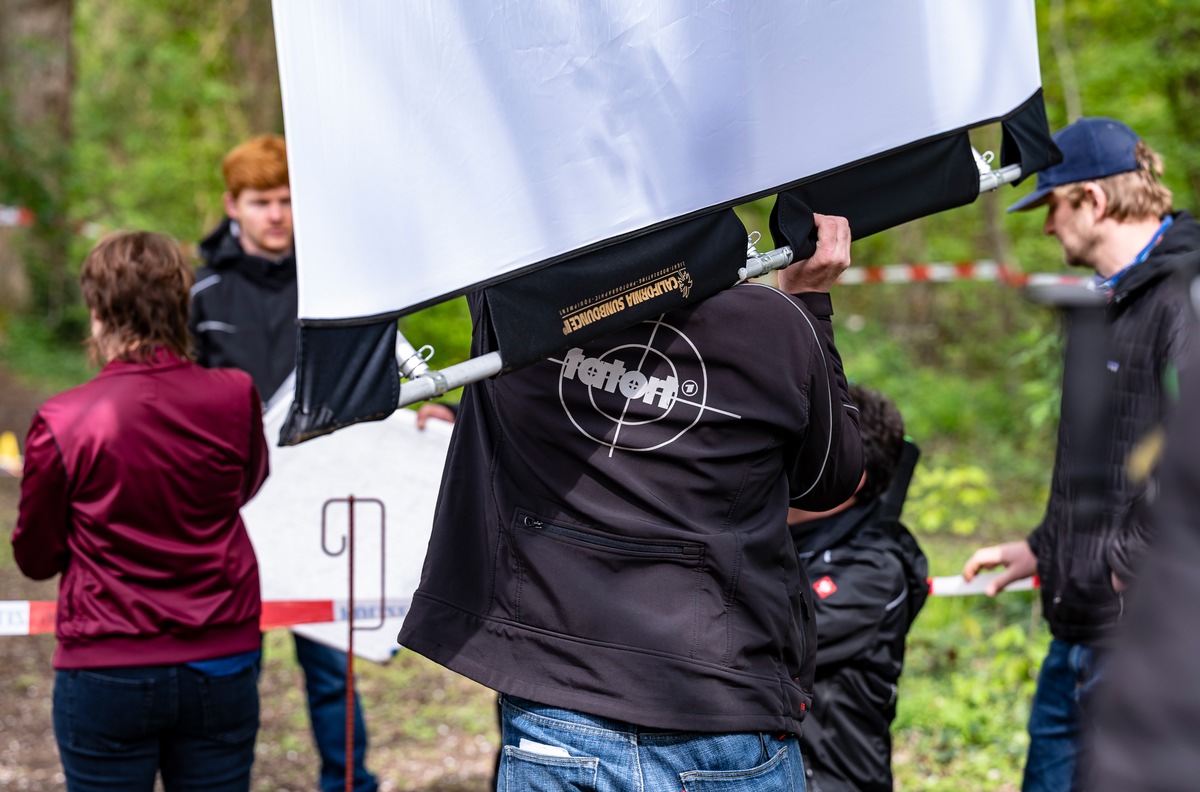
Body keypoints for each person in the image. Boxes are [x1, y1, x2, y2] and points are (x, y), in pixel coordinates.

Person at [399, 212, 864, 790]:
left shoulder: (515, 305)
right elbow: (832, 478)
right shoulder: (775, 325)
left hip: (561, 703)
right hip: (723, 702)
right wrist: (808, 303)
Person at [962, 117, 1200, 792]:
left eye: (1051, 205)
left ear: (1092, 200)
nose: (1044, 228)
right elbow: (1107, 456)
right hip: (1075, 634)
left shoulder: (1186, 295)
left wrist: (1129, 566)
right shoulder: (1106, 304)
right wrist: (1046, 546)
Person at [12, 231, 269, 791]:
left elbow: (36, 555)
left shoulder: (64, 419)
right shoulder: (235, 394)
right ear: (183, 303)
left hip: (106, 663)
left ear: (98, 310)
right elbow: (245, 486)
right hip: (221, 656)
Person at [189, 134, 378, 792]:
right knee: (228, 666)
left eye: (288, 200)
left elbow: (373, 379)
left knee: (330, 669)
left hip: (320, 503)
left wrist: (419, 414)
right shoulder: (200, 293)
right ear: (231, 205)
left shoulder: (334, 284)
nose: (277, 214)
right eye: (262, 201)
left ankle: (350, 783)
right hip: (230, 512)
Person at [788, 385, 928, 792]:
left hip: (831, 780)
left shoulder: (875, 568)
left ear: (849, 472)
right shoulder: (779, 533)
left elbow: (762, 638)